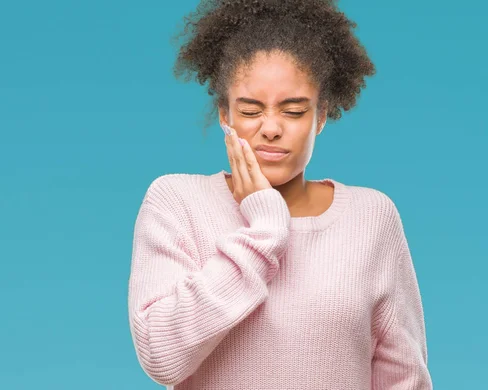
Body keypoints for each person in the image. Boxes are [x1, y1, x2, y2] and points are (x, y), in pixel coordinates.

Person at [127, 0, 433, 389]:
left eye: (293, 111)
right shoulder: (177, 202)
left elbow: (403, 379)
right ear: (225, 114)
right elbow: (160, 354)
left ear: (321, 116)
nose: (270, 128)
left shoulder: (371, 217)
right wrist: (266, 228)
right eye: (251, 110)